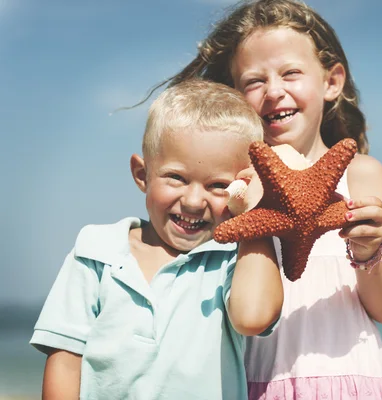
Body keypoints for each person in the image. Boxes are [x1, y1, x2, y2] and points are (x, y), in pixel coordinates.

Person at [153, 1, 382, 398]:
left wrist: (369, 251)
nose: (274, 91)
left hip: (356, 382)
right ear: (234, 96)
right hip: (254, 384)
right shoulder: (232, 186)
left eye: (291, 73)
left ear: (331, 81)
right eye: (254, 81)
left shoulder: (362, 174)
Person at [30, 79, 284, 400]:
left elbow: (253, 317)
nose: (193, 201)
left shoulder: (234, 260)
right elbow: (65, 361)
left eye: (219, 185)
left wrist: (255, 212)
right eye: (176, 177)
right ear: (142, 175)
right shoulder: (96, 251)